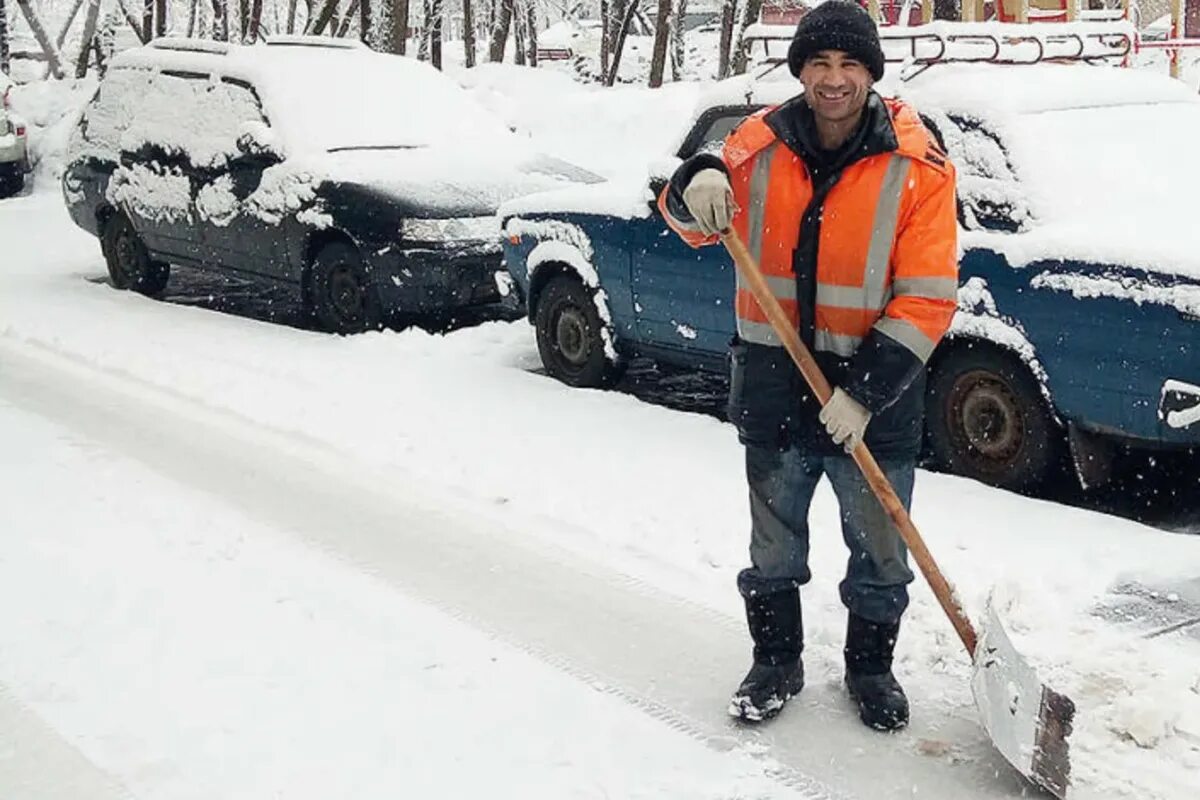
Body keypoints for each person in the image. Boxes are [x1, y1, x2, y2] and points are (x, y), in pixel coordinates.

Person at [658, 0, 958, 730]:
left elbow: (928, 298)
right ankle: (775, 661)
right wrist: (694, 179)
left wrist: (863, 393)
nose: (833, 79)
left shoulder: (917, 165)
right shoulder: (757, 147)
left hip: (873, 400)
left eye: (850, 65)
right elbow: (686, 213)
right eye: (819, 64)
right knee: (773, 545)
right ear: (800, 71)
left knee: (882, 551)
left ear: (871, 75)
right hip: (772, 383)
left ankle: (871, 672)